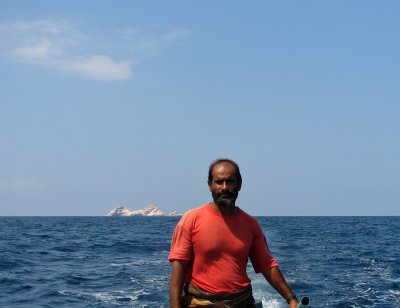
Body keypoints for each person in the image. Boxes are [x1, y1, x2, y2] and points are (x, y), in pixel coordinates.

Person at [168, 158, 299, 307]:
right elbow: (178, 269)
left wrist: (291, 299)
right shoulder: (190, 220)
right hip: (201, 302)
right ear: (210, 186)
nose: (224, 187)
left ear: (239, 184)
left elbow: (267, 265)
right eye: (219, 182)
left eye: (230, 181)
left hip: (242, 302)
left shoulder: (251, 224)